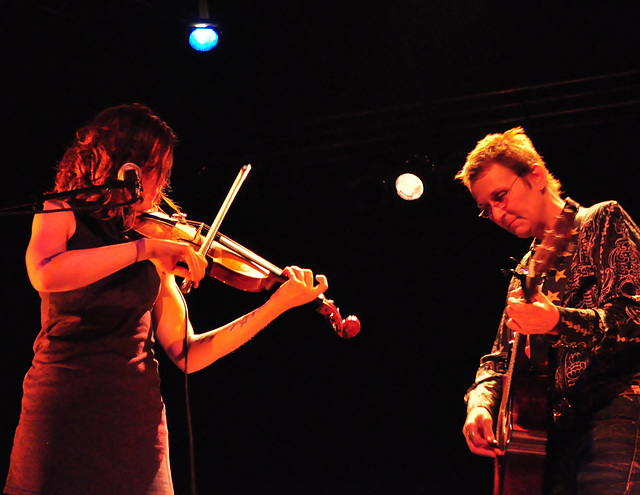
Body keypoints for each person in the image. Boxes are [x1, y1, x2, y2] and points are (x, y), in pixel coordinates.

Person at [4, 103, 329, 495]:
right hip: (61, 410)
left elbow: (188, 353)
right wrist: (145, 250)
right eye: (157, 168)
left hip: (136, 423)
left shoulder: (157, 241)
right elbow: (44, 272)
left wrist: (274, 306)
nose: (161, 184)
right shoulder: (62, 210)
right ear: (127, 165)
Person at [457, 127, 640, 494]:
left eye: (500, 196)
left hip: (616, 410)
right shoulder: (523, 276)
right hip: (550, 436)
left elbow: (634, 319)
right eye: (485, 208)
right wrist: (479, 405)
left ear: (536, 176)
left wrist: (558, 321)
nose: (496, 213)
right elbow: (498, 360)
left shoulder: (601, 222)